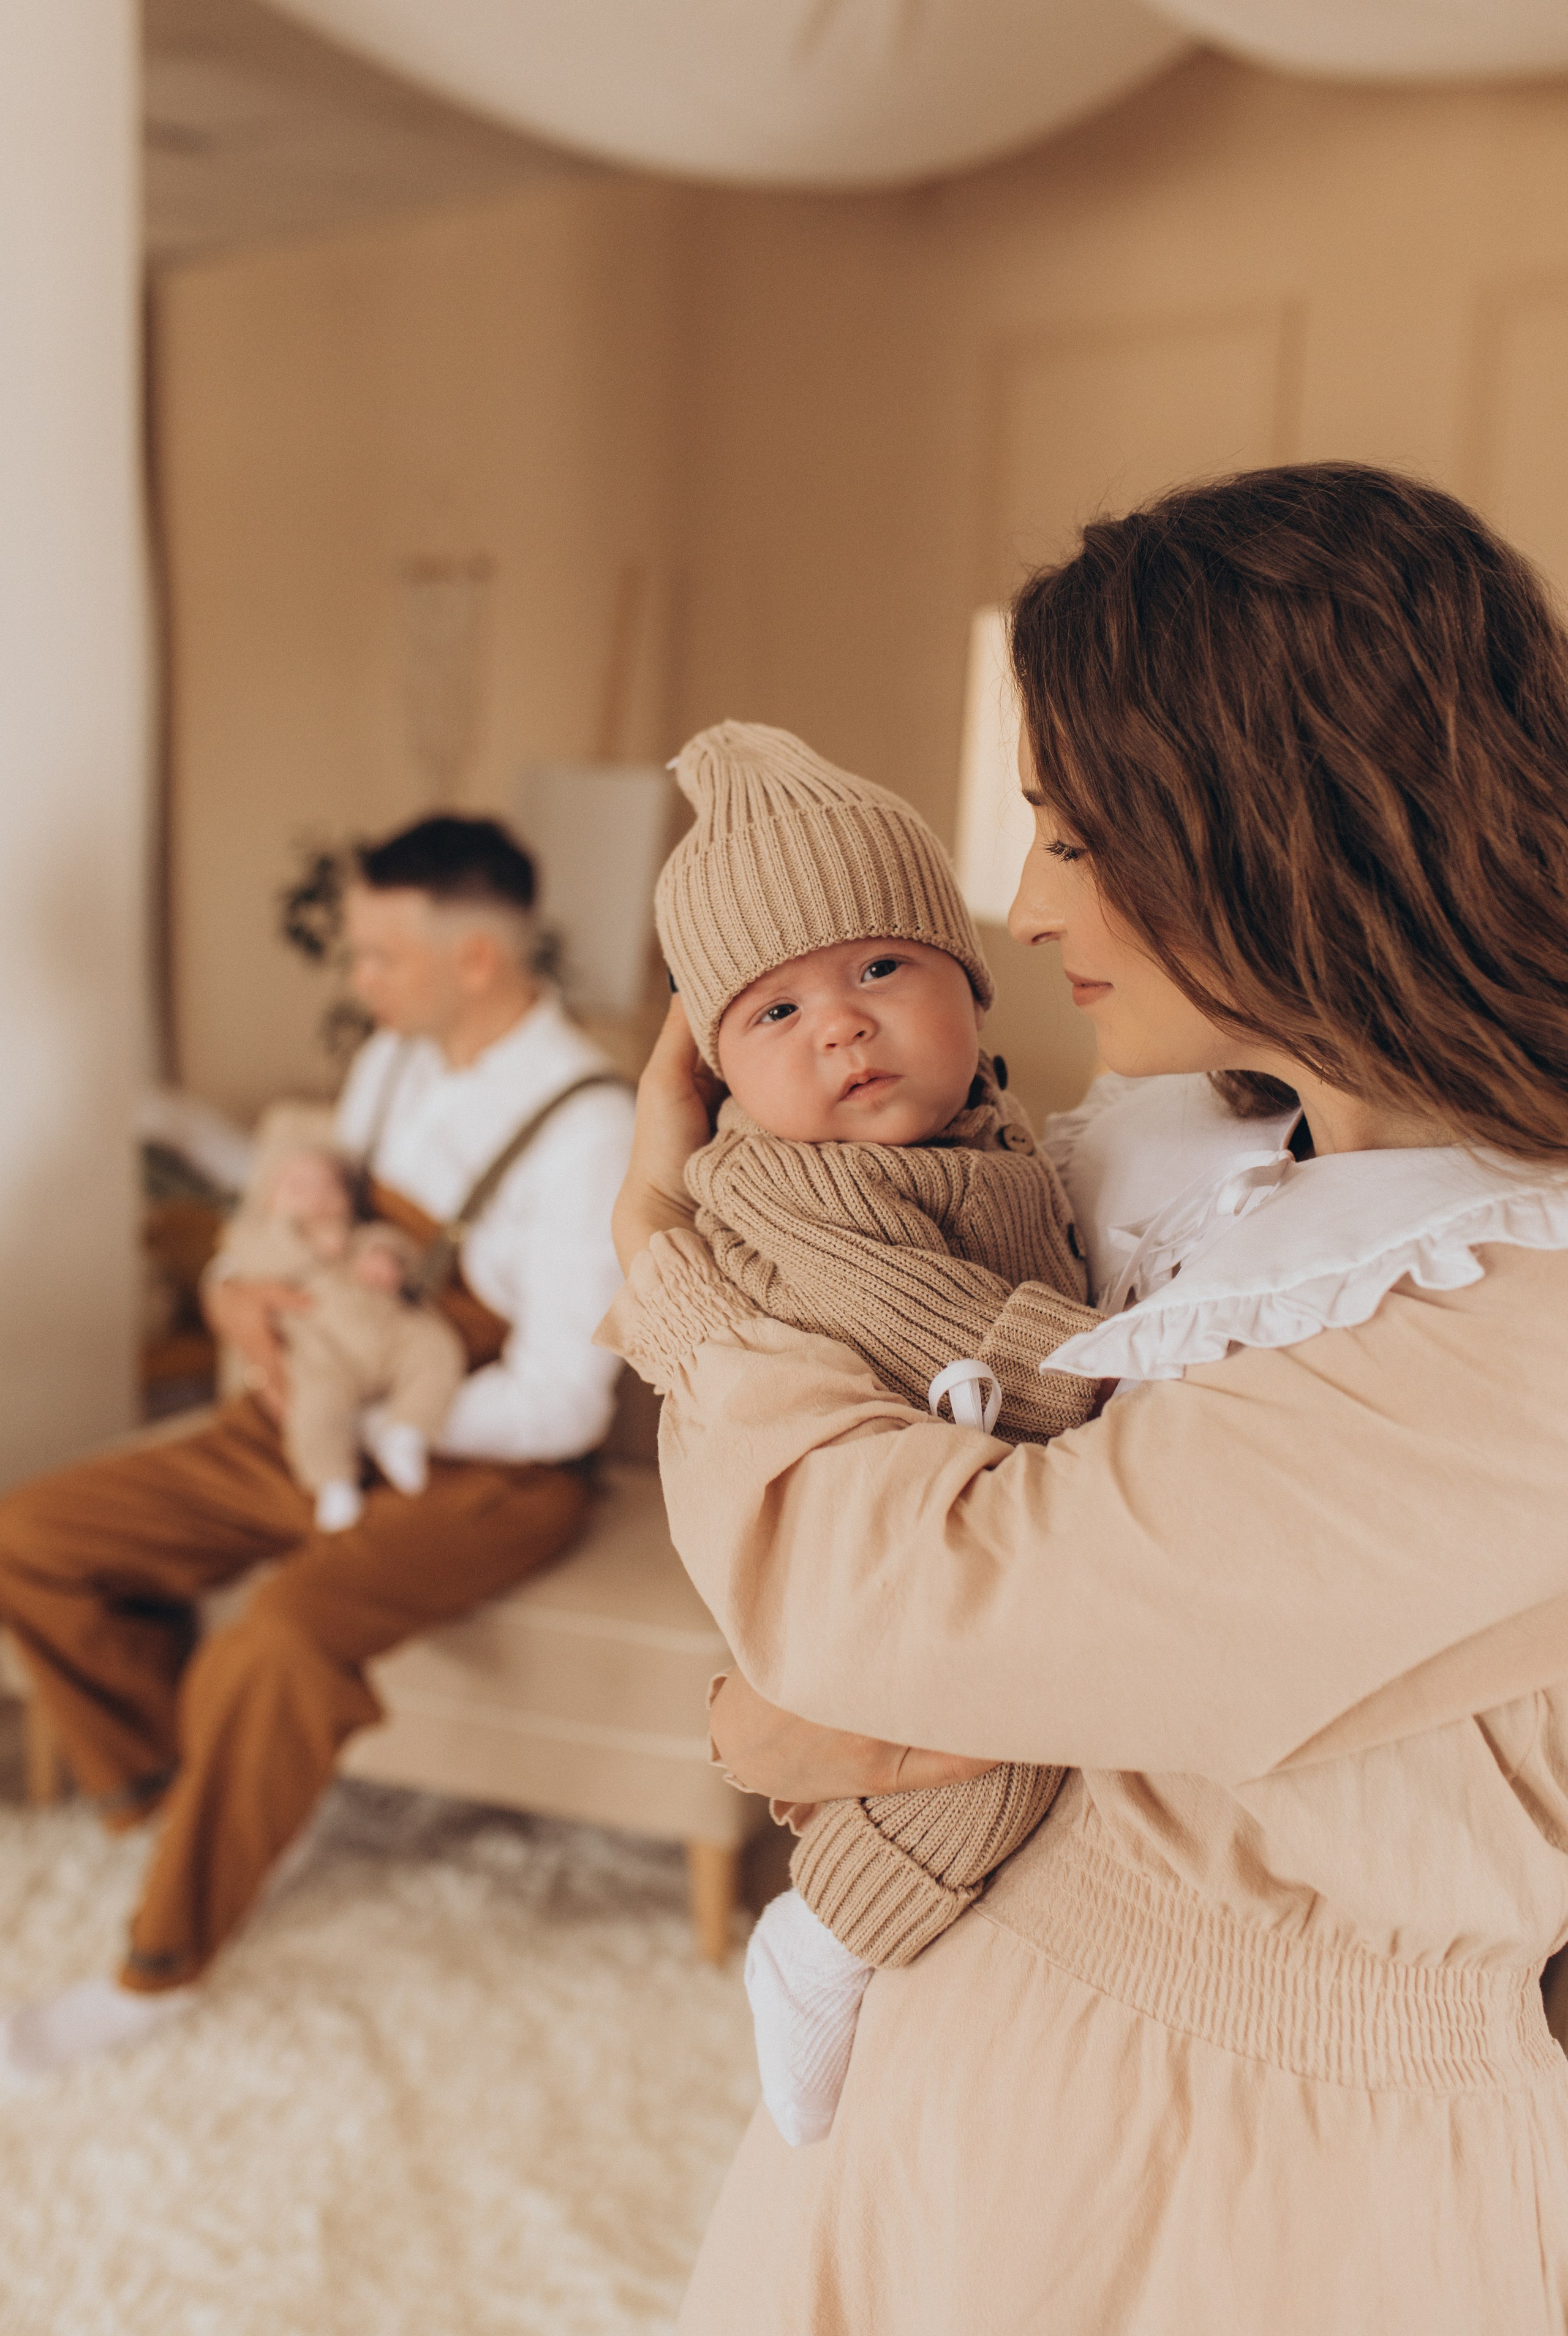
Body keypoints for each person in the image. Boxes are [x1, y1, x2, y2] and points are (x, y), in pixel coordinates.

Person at [602, 466, 1568, 2333]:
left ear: (1272, 826)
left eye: (1070, 831)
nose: (1025, 905)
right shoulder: (1155, 1154)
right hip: (966, 2040)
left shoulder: (1511, 1325)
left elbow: (918, 1598)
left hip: (1258, 2181)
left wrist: (665, 1261)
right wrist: (787, 1716)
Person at [0, 814, 634, 2077]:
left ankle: (157, 1968)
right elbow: (298, 1218)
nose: (356, 981)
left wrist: (377, 1405)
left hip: (485, 1464)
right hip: (304, 1413)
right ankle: (175, 1792)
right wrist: (242, 1292)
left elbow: (564, 1399)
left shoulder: (587, 1128)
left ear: (473, 960)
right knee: (26, 1540)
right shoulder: (394, 1064)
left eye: (377, 956)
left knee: (279, 1638)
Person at [648, 719, 1100, 2147]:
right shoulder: (789, 1184)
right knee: (1007, 1749)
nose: (839, 1022)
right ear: (715, 1075)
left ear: (965, 982)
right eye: (771, 1014)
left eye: (878, 968)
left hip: (940, 1510)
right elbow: (922, 1314)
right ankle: (822, 1934)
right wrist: (1074, 1373)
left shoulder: (998, 1135)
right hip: (851, 1531)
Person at [212, 1146, 467, 1532]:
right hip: (323, 1356)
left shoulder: (359, 1236)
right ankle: (333, 1483)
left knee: (437, 1348)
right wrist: (299, 1238)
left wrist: (383, 1258)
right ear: (269, 1200)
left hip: (390, 1332)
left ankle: (409, 1430)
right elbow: (239, 1265)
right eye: (299, 1188)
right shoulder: (261, 1239)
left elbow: (396, 1245)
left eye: (329, 1188)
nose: (316, 1198)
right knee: (312, 1409)